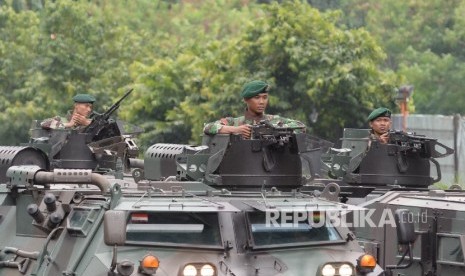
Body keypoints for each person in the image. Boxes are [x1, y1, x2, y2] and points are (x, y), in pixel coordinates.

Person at [203, 80, 306, 139]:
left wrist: (274, 130)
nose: (262, 102)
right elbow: (208, 128)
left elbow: (301, 127)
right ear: (246, 100)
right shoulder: (233, 122)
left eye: (265, 97)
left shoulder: (275, 120)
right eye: (257, 98)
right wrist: (236, 130)